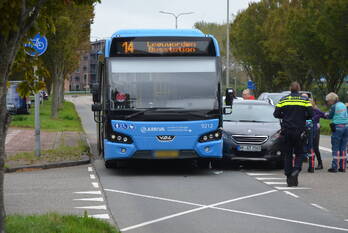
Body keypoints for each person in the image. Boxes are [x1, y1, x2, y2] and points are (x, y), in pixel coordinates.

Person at [274, 82, 313, 187]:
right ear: (299, 89)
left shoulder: (283, 99)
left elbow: (276, 114)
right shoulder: (305, 100)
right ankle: (296, 170)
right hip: (300, 131)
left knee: (288, 154)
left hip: (286, 130)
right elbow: (311, 114)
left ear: (290, 89)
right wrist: (303, 117)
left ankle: (288, 175)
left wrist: (285, 116)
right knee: (300, 153)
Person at [325, 92, 348, 173]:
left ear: (331, 100)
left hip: (338, 127)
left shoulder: (334, 106)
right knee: (343, 148)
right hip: (346, 126)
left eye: (328, 101)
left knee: (336, 147)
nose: (328, 103)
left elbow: (330, 116)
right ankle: (343, 167)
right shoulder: (343, 105)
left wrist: (325, 115)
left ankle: (334, 167)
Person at [311, 98, 327, 170]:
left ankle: (320, 164)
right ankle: (311, 164)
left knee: (315, 148)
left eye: (310, 102)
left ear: (313, 103)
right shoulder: (304, 110)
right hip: (307, 130)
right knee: (308, 148)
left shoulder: (317, 110)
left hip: (316, 130)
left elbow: (325, 116)